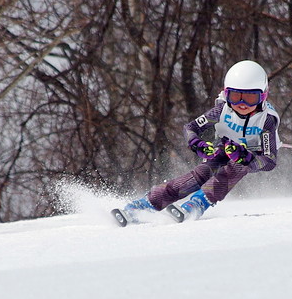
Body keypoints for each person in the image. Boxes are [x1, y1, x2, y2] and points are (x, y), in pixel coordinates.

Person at [116, 60, 281, 225]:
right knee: (201, 174)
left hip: (250, 155)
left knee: (236, 167)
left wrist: (248, 159)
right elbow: (190, 128)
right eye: (236, 97)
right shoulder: (221, 110)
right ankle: (148, 203)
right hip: (224, 147)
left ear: (263, 96)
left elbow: (269, 160)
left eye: (251, 98)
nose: (242, 105)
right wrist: (196, 143)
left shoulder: (266, 120)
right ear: (226, 94)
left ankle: (198, 203)